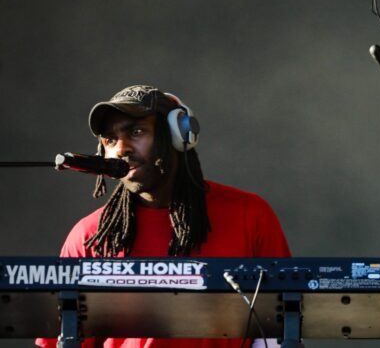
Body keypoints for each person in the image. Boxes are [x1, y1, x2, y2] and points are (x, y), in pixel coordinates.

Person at [37, 85, 291, 348]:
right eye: (110, 140)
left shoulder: (250, 214)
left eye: (136, 132)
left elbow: (280, 324)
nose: (120, 149)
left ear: (178, 136)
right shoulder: (89, 235)